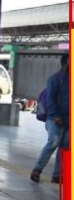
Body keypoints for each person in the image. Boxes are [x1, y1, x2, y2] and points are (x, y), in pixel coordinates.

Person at [31, 53, 69, 183]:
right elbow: (50, 99)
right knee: (54, 142)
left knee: (65, 146)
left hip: (69, 120)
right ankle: (37, 169)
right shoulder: (55, 79)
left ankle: (57, 175)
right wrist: (56, 115)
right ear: (65, 63)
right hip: (54, 118)